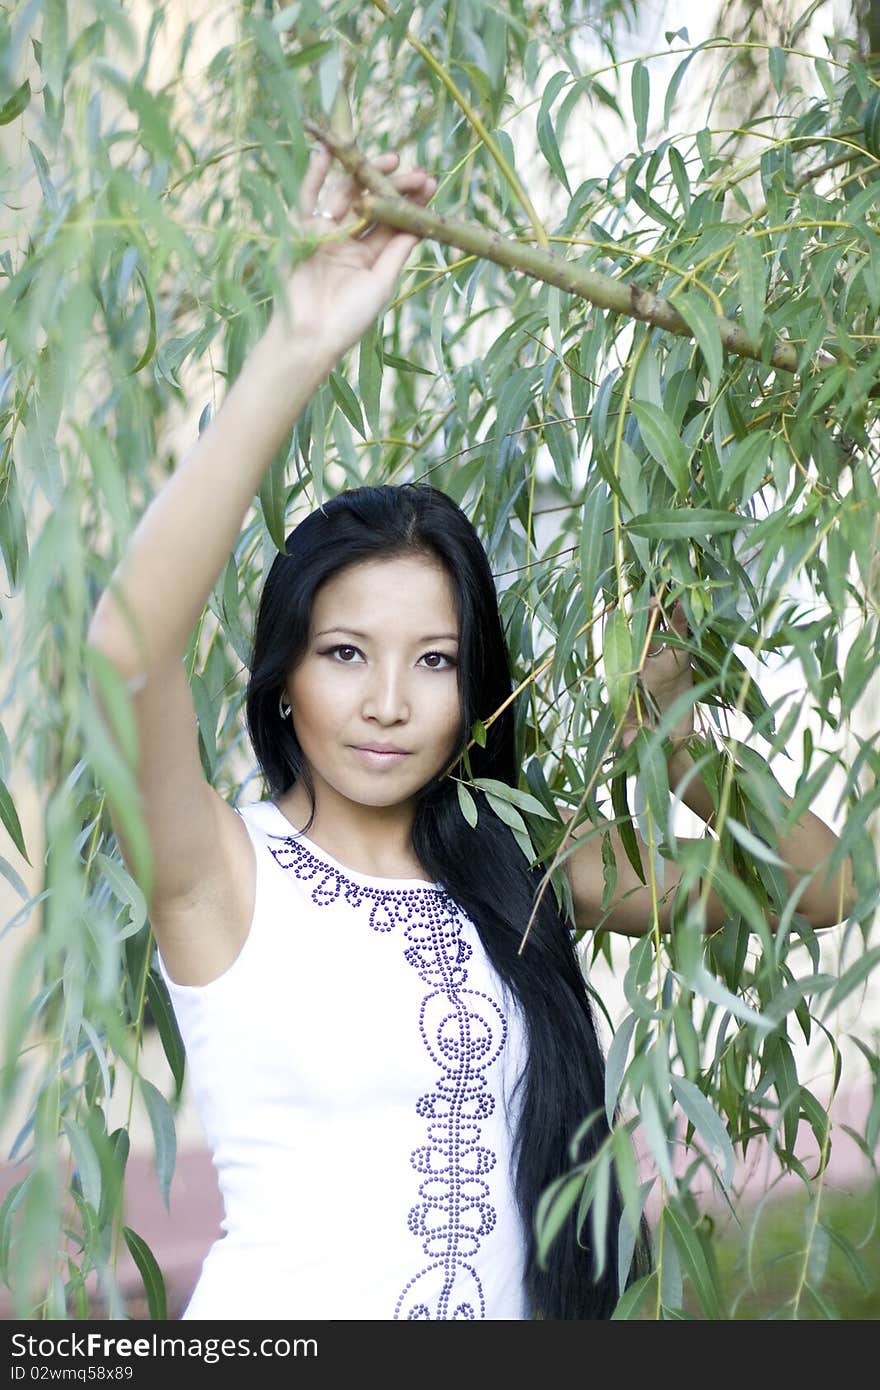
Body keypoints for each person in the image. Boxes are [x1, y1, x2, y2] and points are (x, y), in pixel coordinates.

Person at [86, 146, 855, 1321]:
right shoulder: (220, 873)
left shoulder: (521, 866)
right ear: (284, 677)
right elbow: (125, 655)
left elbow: (822, 885)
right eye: (346, 654)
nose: (390, 699)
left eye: (435, 660)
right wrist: (297, 344)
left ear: (474, 685)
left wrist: (674, 731)